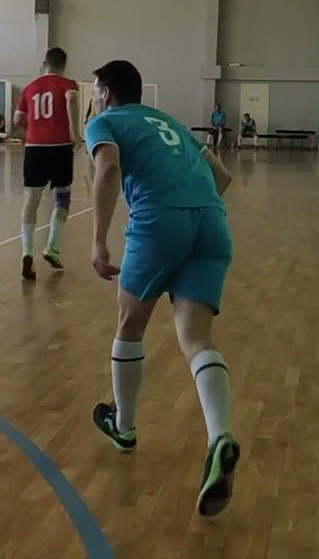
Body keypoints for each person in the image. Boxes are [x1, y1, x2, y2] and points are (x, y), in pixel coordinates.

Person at [84, 59, 239, 518]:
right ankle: (219, 436)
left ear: (106, 93)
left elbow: (107, 171)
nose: (92, 97)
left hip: (158, 222)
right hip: (211, 221)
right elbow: (223, 176)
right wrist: (190, 213)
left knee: (130, 325)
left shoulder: (104, 123)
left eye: (94, 90)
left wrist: (98, 240)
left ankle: (124, 425)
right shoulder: (169, 121)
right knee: (196, 339)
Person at [13, 47, 79, 281]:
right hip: (60, 148)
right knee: (62, 198)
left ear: (44, 63)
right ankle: (52, 246)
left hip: (34, 149)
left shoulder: (29, 87)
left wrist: (31, 130)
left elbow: (17, 120)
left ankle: (27, 252)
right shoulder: (68, 84)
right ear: (64, 65)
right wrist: (75, 133)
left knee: (31, 200)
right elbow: (71, 99)